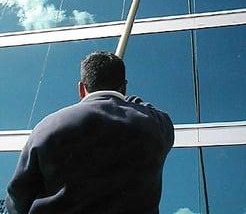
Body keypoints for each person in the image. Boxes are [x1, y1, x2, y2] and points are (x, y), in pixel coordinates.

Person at [5, 51, 174, 214]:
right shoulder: (156, 125)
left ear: (81, 88)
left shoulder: (48, 126)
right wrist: (129, 100)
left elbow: (18, 199)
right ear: (124, 87)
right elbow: (149, 109)